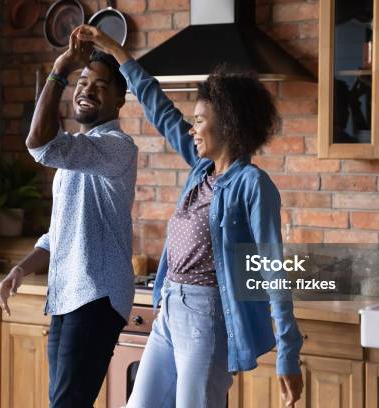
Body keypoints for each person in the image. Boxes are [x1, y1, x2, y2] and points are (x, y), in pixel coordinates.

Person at [77, 25, 304, 408]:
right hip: (170, 306)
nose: (193, 129)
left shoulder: (252, 184)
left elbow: (272, 269)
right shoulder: (202, 170)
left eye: (200, 120)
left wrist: (288, 353)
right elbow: (158, 106)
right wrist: (116, 50)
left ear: (229, 124)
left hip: (209, 316)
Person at [0, 28, 138, 408]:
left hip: (95, 296)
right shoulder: (74, 158)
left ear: (120, 100)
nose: (86, 90)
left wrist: (60, 68)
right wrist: (20, 270)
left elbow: (39, 143)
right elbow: (57, 234)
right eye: (82, 81)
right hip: (66, 296)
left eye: (101, 86)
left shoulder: (115, 148)